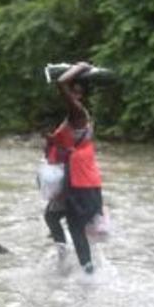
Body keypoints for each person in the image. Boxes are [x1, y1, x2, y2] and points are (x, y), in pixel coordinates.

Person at [43, 61, 106, 274]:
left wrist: (80, 66)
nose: (73, 95)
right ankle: (64, 257)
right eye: (73, 92)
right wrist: (52, 140)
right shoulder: (73, 118)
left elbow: (61, 82)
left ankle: (88, 273)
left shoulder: (78, 112)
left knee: (76, 227)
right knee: (52, 216)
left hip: (82, 182)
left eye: (77, 92)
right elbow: (66, 145)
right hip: (73, 180)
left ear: (81, 96)